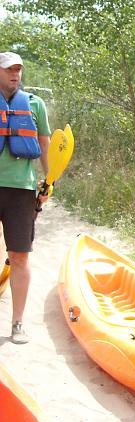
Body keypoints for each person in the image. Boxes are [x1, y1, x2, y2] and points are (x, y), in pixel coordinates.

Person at [0, 51, 51, 345]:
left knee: (19, 256)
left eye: (18, 70)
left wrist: (49, 181)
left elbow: (45, 145)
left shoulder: (35, 104)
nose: (15, 74)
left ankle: (17, 323)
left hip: (21, 190)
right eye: (9, 69)